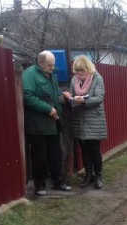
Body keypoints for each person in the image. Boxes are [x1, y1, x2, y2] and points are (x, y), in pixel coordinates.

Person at [22, 50, 72, 196]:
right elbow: (27, 96)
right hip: (38, 125)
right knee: (39, 156)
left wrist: (63, 96)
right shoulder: (29, 75)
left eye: (53, 65)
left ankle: (58, 182)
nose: (52, 68)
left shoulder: (49, 74)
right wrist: (47, 108)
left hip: (53, 123)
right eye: (50, 65)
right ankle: (40, 185)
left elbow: (54, 92)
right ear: (40, 62)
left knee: (56, 154)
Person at [63, 55, 107, 189]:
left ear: (88, 68)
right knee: (84, 149)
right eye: (77, 71)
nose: (79, 74)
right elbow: (71, 94)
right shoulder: (74, 80)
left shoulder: (97, 78)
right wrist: (69, 97)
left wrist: (84, 101)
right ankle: (89, 175)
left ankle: (98, 176)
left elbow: (99, 97)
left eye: (81, 71)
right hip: (79, 119)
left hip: (94, 119)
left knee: (94, 149)